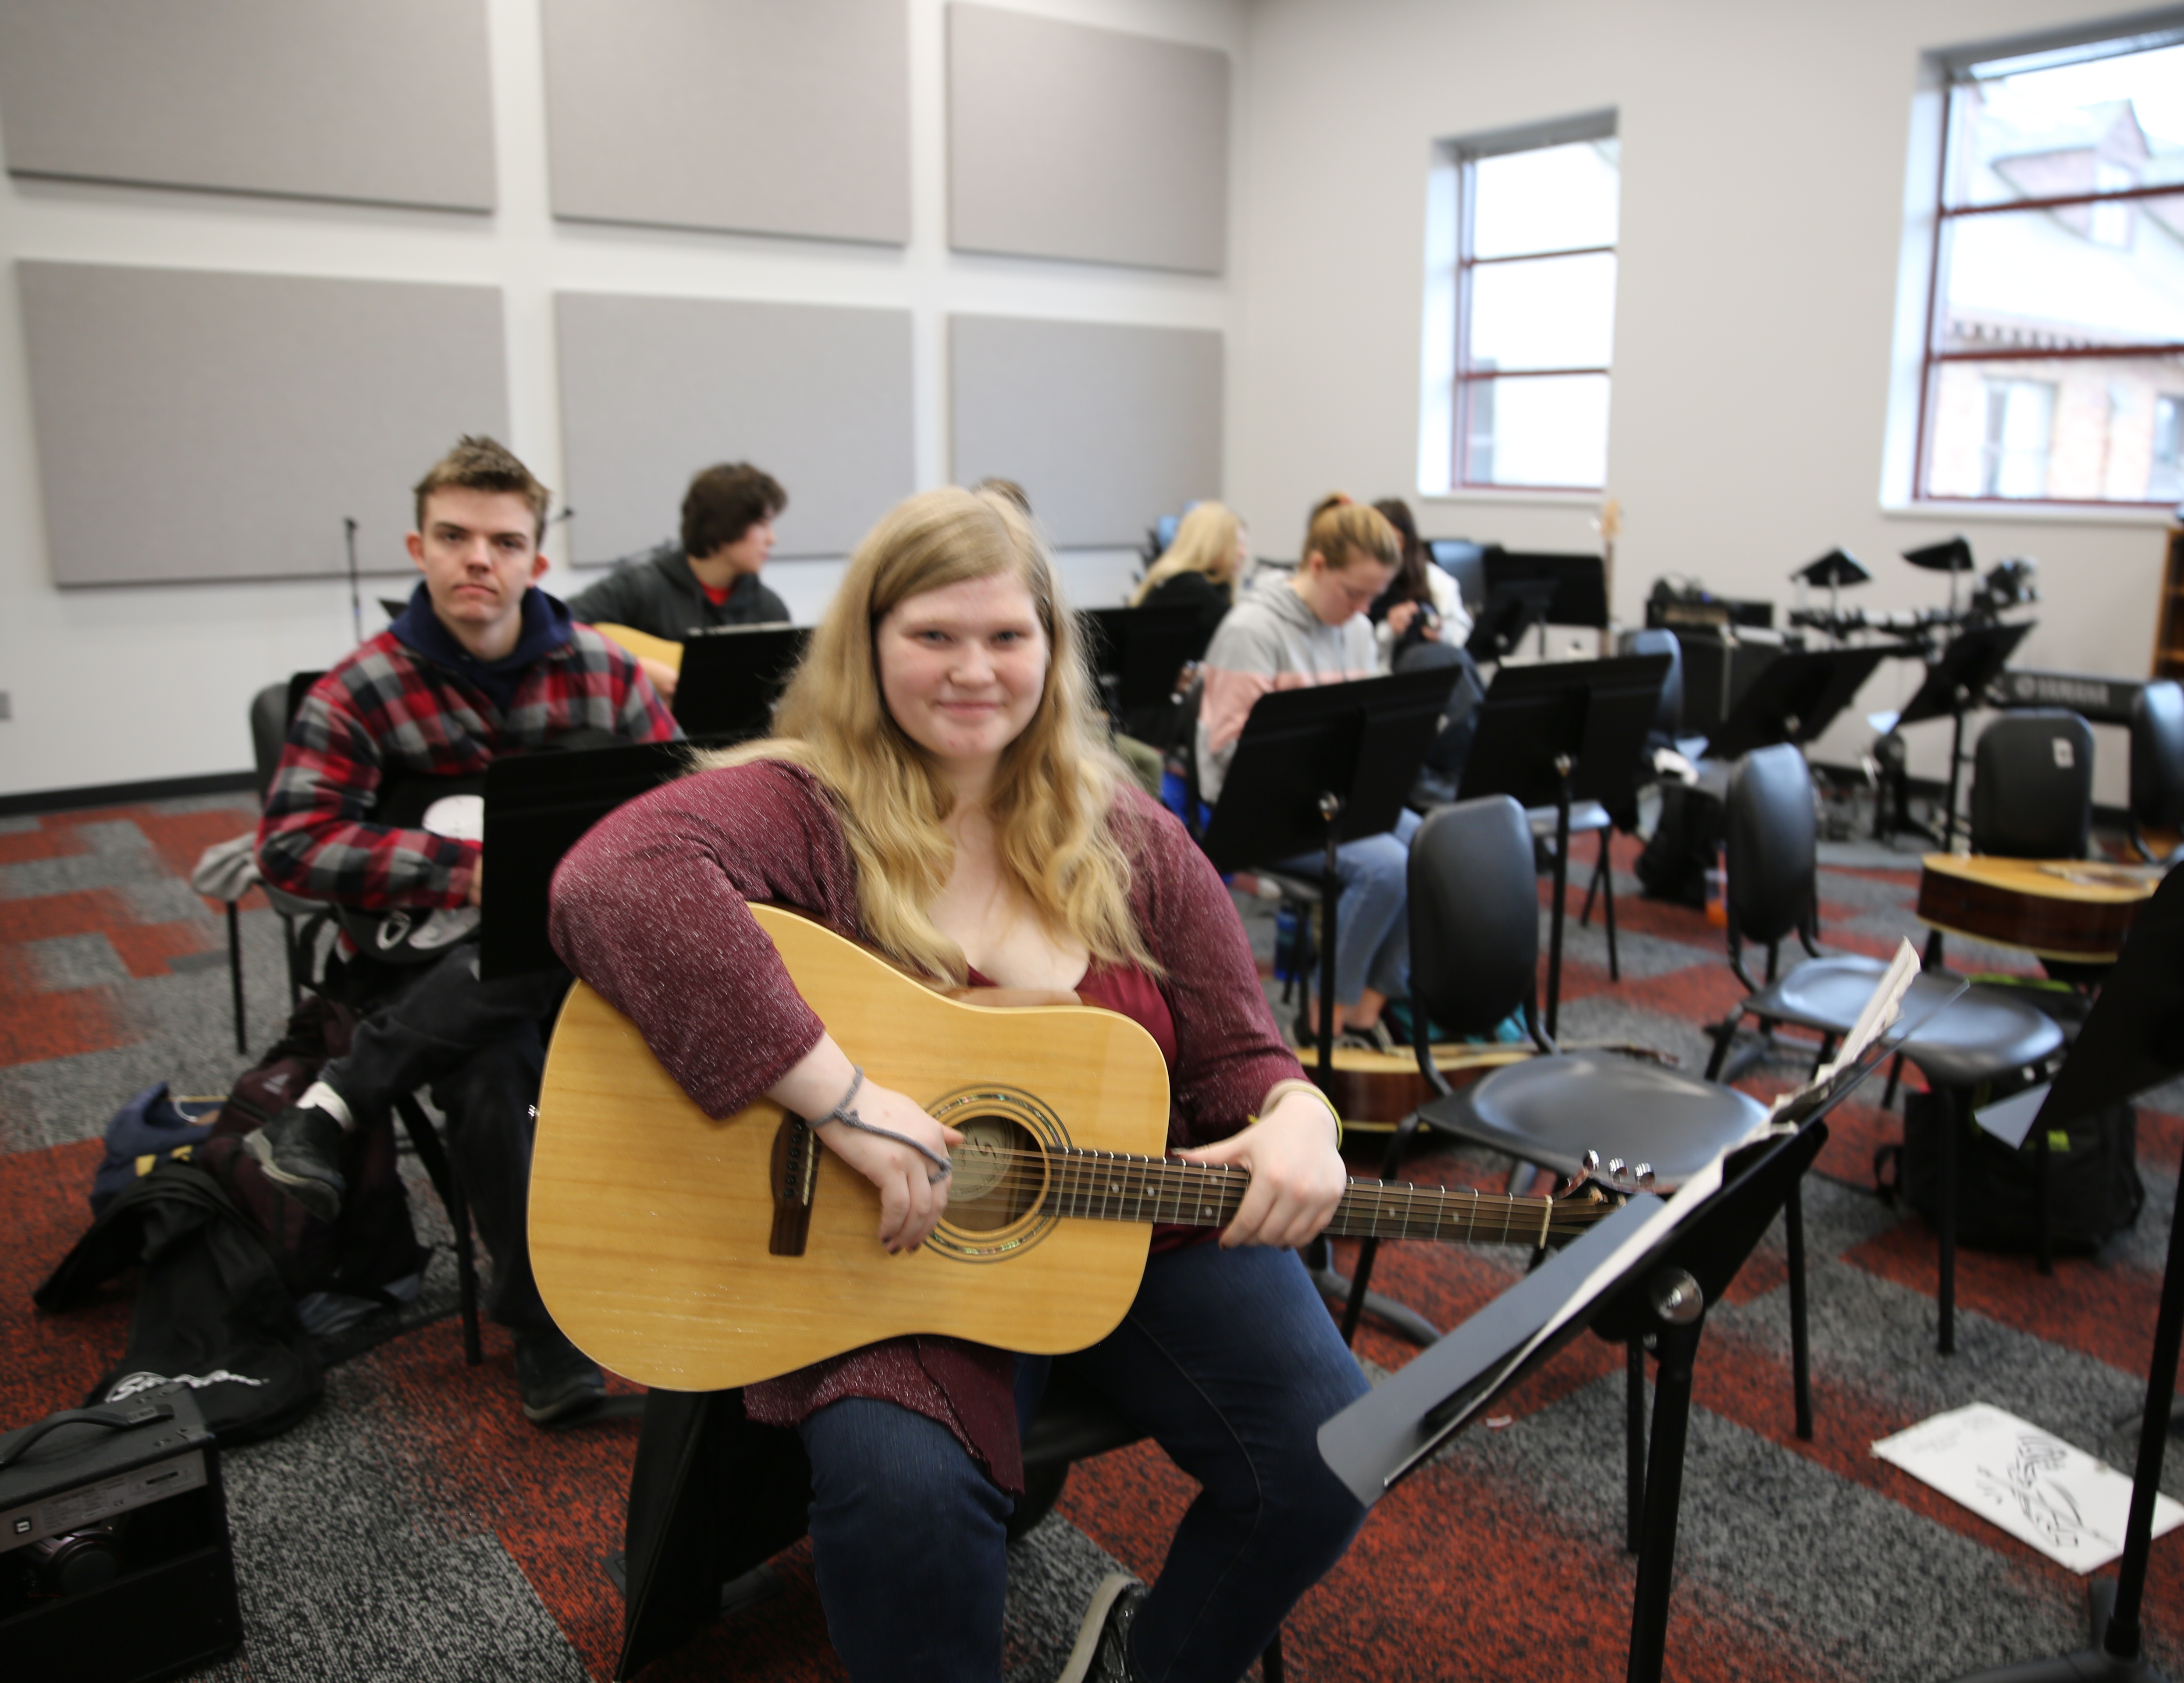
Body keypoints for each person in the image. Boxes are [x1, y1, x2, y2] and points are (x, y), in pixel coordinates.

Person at [548, 486, 1367, 1683]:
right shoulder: (806, 806)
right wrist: (840, 1097)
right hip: (893, 1253)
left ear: (1050, 647)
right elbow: (608, 881)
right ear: (870, 646)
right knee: (904, 1493)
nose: (973, 670)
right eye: (933, 636)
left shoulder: (1124, 831)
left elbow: (1243, 1054)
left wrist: (1305, 1120)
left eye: (1006, 637)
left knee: (1327, 1451)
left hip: (1131, 1221)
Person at [249, 434, 676, 1426]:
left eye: (502, 540)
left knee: (566, 947)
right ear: (418, 545)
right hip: (433, 962)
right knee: (489, 1080)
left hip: (582, 957)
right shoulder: (361, 688)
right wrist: (467, 870)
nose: (476, 558)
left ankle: (335, 1102)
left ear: (536, 558)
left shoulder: (607, 677)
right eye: (453, 536)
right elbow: (291, 845)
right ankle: (543, 1329)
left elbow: (674, 817)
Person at [1194, 500, 1421, 1048]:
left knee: (1433, 843)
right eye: (1353, 593)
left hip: (1331, 798)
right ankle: (1324, 1026)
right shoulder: (1252, 629)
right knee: (1386, 867)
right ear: (1316, 565)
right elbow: (1225, 751)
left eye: (1374, 596)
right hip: (1258, 809)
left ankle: (1368, 1012)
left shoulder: (1359, 630)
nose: (1363, 608)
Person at [563, 462, 793, 700]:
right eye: (762, 524)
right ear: (727, 524)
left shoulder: (770, 607)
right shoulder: (641, 586)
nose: (772, 539)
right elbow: (558, 627)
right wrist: (636, 669)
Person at [1371, 496, 1475, 658]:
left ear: (1407, 541)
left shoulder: (1431, 577)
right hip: (1392, 666)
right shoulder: (1361, 583)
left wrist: (1440, 631)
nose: (1386, 548)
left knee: (1458, 659)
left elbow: (1461, 629)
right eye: (1378, 540)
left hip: (1433, 657)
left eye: (1394, 540)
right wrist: (1389, 629)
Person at [1128, 500, 1245, 620]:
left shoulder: (1174, 581)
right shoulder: (1191, 587)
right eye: (1236, 544)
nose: (1243, 553)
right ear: (1212, 544)